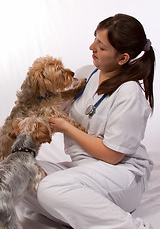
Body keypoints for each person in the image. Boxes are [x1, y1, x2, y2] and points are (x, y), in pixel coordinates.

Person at [21, 13, 155, 229]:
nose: (92, 47)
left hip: (120, 176)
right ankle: (83, 215)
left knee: (51, 189)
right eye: (95, 39)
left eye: (102, 47)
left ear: (123, 58)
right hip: (81, 170)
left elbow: (112, 155)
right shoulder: (87, 74)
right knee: (14, 172)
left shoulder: (129, 93)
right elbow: (53, 109)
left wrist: (65, 127)